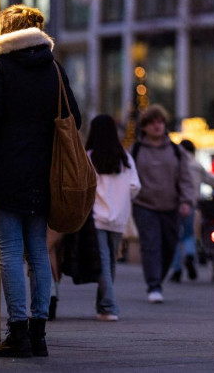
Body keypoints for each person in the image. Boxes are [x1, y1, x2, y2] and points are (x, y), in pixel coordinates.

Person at [0, 4, 81, 358]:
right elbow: (74, 118)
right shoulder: (53, 67)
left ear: (6, 30)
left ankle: (16, 333)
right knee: (37, 250)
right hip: (44, 173)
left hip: (5, 171)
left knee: (9, 252)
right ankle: (39, 336)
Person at [131, 104, 196, 304]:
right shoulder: (136, 150)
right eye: (152, 123)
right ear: (144, 127)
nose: (157, 126)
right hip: (144, 205)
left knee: (169, 246)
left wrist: (186, 201)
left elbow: (185, 178)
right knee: (151, 244)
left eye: (160, 122)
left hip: (171, 206)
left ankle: (158, 277)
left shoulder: (176, 151)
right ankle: (153, 285)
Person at [87, 114, 141, 321]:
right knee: (110, 261)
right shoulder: (125, 158)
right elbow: (135, 186)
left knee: (103, 260)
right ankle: (103, 305)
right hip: (120, 217)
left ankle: (108, 306)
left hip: (96, 216)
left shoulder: (89, 156)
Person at [169, 139, 214, 283]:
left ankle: (177, 269)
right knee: (189, 234)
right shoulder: (196, 165)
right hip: (191, 204)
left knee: (176, 236)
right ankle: (190, 254)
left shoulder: (174, 163)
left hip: (174, 204)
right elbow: (212, 179)